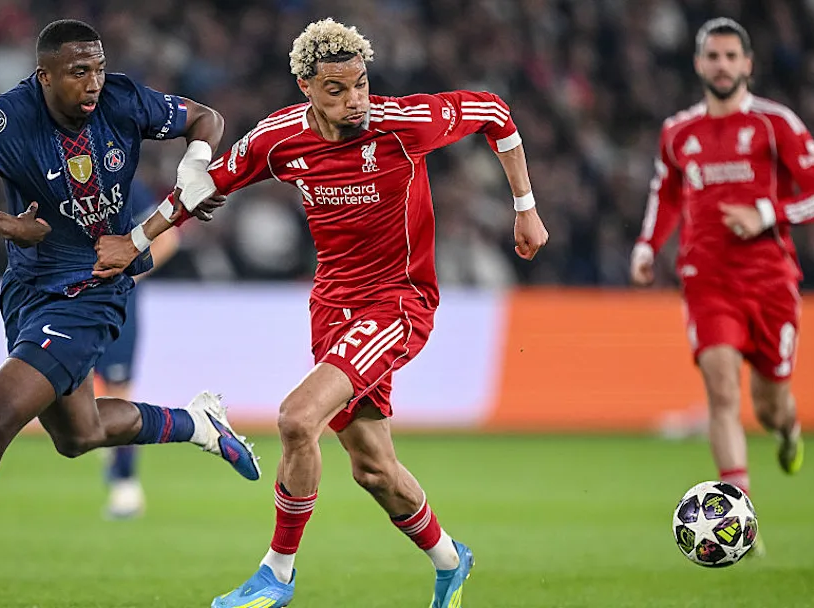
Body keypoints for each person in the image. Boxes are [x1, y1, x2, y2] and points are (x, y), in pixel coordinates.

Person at [94, 18, 548, 608]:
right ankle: (449, 558)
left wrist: (525, 207)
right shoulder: (279, 139)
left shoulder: (403, 126)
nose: (354, 99)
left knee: (295, 418)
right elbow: (203, 188)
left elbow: (494, 112)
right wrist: (136, 239)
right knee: (373, 469)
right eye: (336, 89)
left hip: (399, 301)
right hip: (333, 307)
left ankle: (275, 575)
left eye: (360, 84)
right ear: (307, 87)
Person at [0, 19, 259, 608]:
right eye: (79, 72)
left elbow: (205, 118)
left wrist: (194, 167)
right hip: (29, 289)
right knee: (77, 434)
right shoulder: (10, 119)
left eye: (98, 68)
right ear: (45, 77)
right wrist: (7, 225)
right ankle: (198, 424)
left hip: (93, 289)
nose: (93, 83)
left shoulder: (124, 99)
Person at [631, 18, 814, 524]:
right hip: (707, 279)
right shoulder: (678, 132)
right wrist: (647, 246)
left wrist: (767, 214)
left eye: (730, 57)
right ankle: (735, 514)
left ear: (747, 64)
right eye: (712, 57)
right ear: (699, 64)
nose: (721, 66)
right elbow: (667, 194)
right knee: (721, 390)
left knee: (770, 406)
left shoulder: (774, 123)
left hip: (770, 282)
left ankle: (787, 432)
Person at [97, 184, 182, 520]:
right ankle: (106, 452)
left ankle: (125, 484)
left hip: (118, 307)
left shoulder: (125, 186)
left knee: (118, 394)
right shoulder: (57, 176)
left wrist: (128, 278)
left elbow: (168, 239)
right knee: (71, 392)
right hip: (68, 303)